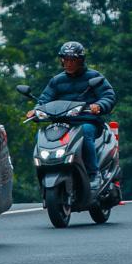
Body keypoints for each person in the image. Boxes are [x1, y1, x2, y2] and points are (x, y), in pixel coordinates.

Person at [35, 41, 116, 187]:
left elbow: (109, 96)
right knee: (41, 135)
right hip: (63, 124)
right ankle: (46, 171)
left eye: (72, 59)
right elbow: (44, 100)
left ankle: (94, 174)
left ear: (80, 60)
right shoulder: (57, 81)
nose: (68, 63)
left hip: (87, 122)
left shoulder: (94, 77)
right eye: (65, 59)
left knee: (85, 133)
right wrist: (36, 110)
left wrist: (99, 105)